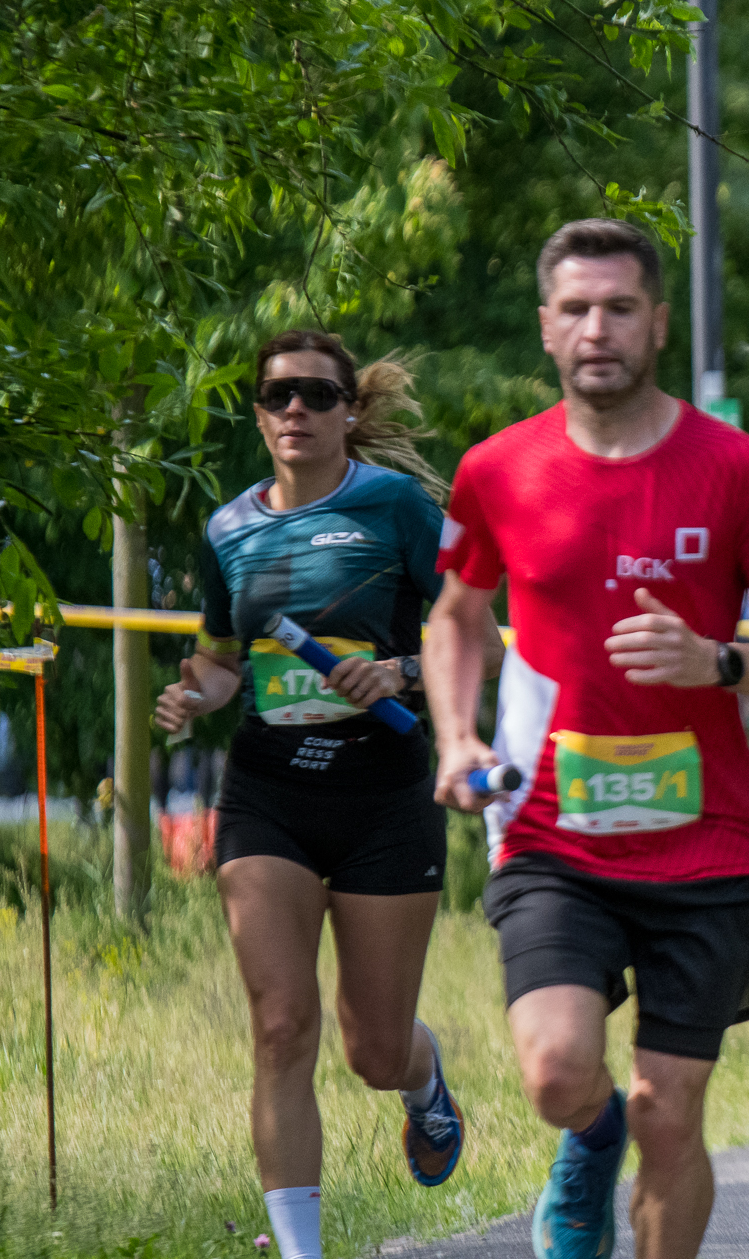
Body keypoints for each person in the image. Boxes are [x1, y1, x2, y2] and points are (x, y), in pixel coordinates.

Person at [425, 219, 749, 1259]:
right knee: (556, 1073)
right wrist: (456, 737)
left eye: (618, 308)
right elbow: (458, 617)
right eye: (575, 309)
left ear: (657, 323)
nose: (595, 329)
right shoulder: (498, 469)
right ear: (545, 326)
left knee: (672, 1112)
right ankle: (589, 1134)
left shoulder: (738, 469)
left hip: (707, 843)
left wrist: (718, 663)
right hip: (552, 831)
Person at [154, 331, 488, 1259]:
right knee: (279, 1024)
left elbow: (476, 635)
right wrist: (194, 695)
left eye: (316, 393)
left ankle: (423, 1082)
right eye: (277, 395)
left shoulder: (397, 507)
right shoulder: (228, 528)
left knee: (372, 1049)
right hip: (268, 792)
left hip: (384, 791)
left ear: (351, 410)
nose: (295, 408)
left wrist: (399, 671)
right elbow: (221, 661)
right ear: (260, 415)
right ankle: (302, 1250)